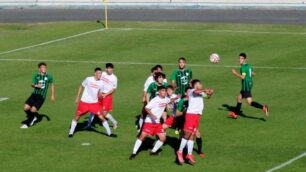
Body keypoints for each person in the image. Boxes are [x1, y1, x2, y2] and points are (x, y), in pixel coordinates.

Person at [68, 67, 113, 138]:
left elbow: (99, 94)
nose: (99, 74)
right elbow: (81, 86)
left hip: (94, 104)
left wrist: (102, 96)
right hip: (84, 102)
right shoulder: (88, 79)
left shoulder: (101, 83)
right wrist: (77, 97)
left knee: (101, 117)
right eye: (98, 73)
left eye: (100, 73)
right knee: (77, 117)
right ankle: (71, 133)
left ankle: (109, 133)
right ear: (94, 73)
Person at [177, 80, 213, 165]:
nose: (201, 85)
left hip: (197, 116)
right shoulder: (191, 91)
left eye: (201, 83)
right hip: (191, 115)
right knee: (187, 134)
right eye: (199, 84)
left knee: (192, 135)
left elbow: (208, 97)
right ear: (195, 85)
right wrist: (205, 90)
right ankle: (180, 151)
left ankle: (189, 154)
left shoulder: (200, 93)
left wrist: (210, 93)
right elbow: (197, 91)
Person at [129, 86, 170, 160]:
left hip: (157, 123)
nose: (165, 92)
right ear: (159, 92)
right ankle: (134, 153)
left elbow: (170, 100)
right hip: (149, 122)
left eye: (165, 91)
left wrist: (176, 98)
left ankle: (153, 152)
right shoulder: (155, 100)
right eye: (163, 91)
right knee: (142, 136)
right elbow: (146, 108)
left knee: (163, 138)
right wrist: (152, 115)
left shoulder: (166, 99)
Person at [164, 87, 205, 158]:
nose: (191, 93)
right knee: (183, 134)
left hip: (188, 120)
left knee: (197, 134)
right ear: (186, 93)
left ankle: (199, 151)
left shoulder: (194, 100)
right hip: (180, 119)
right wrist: (185, 113)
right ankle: (181, 151)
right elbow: (176, 113)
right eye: (189, 92)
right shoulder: (182, 101)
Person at [229, 53, 269, 119]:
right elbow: (253, 74)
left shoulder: (243, 67)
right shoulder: (248, 66)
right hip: (249, 84)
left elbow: (243, 77)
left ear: (245, 59)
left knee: (250, 102)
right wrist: (249, 76)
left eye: (241, 58)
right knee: (239, 98)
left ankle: (263, 107)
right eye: (239, 58)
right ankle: (235, 114)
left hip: (246, 85)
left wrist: (235, 73)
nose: (240, 60)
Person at [21, 62, 55, 129]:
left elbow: (52, 85)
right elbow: (32, 84)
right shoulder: (35, 75)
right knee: (25, 108)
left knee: (33, 110)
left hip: (41, 97)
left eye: (45, 67)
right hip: (34, 95)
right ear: (39, 69)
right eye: (42, 67)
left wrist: (52, 95)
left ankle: (28, 123)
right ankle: (33, 117)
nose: (44, 69)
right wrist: (36, 85)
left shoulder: (49, 76)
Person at [85, 63, 118, 129]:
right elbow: (96, 79)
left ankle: (114, 122)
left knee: (104, 113)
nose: (109, 69)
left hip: (107, 96)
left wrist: (105, 94)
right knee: (93, 109)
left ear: (112, 69)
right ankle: (88, 125)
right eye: (108, 68)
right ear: (106, 69)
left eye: (110, 68)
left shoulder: (114, 78)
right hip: (99, 94)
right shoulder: (103, 74)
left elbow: (114, 89)